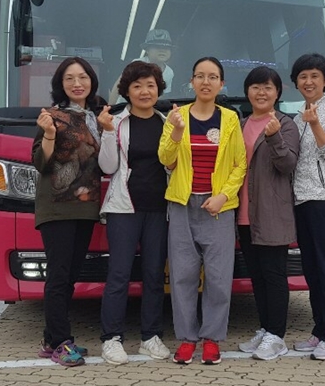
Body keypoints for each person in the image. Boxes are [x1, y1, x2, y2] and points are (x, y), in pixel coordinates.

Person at [158, 56, 246, 365]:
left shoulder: (230, 119)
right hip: (182, 205)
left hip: (217, 208)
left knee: (219, 277)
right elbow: (165, 160)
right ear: (191, 82)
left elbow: (239, 163)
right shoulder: (176, 116)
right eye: (200, 76)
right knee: (182, 275)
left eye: (212, 77)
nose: (205, 82)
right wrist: (178, 132)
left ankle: (211, 338)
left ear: (222, 83)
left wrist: (223, 196)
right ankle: (186, 338)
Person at [97, 61, 171, 365]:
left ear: (159, 89)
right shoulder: (118, 122)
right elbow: (108, 167)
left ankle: (150, 337)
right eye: (138, 86)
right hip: (124, 209)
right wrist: (106, 133)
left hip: (160, 209)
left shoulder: (168, 122)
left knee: (154, 275)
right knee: (119, 274)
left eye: (151, 85)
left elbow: (174, 165)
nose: (145, 91)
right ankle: (111, 339)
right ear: (127, 90)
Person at [32, 57, 104, 367]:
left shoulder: (98, 116)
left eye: (83, 77)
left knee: (70, 276)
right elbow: (41, 163)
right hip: (57, 207)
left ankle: (51, 340)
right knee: (59, 277)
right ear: (61, 84)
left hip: (86, 207)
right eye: (70, 78)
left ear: (91, 81)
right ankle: (62, 342)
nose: (77, 83)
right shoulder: (53, 116)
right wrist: (48, 134)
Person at [236, 67, 300, 360]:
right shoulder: (238, 124)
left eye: (268, 88)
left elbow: (287, 165)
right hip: (244, 213)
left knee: (274, 275)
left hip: (272, 212)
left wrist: (274, 138)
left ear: (277, 93)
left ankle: (277, 335)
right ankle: (265, 328)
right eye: (256, 87)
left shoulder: (285, 124)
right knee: (257, 276)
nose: (261, 93)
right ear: (247, 91)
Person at [290, 53, 325, 361]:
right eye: (302, 76)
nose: (308, 81)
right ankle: (320, 329)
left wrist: (315, 126)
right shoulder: (298, 115)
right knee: (312, 270)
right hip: (302, 200)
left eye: (314, 76)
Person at [109, 29, 174, 103]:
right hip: (125, 107)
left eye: (167, 48)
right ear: (147, 50)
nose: (162, 50)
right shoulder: (137, 64)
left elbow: (162, 95)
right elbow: (118, 86)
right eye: (157, 47)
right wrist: (111, 108)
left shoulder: (169, 73)